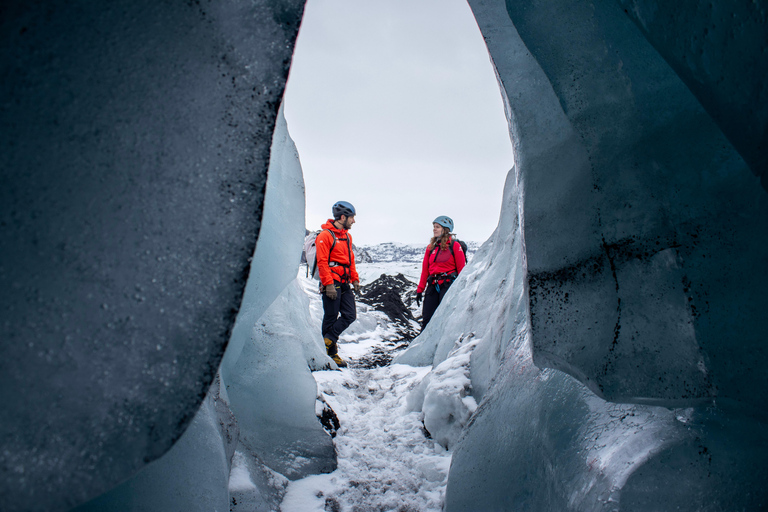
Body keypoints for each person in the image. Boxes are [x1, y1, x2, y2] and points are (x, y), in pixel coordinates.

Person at [316, 201, 360, 367]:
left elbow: (350, 260)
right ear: (343, 217)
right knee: (330, 317)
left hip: (345, 281)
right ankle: (331, 354)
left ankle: (328, 340)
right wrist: (328, 284)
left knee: (350, 314)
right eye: (352, 217)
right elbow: (322, 262)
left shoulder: (347, 237)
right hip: (332, 281)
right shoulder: (325, 236)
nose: (353, 221)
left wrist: (354, 278)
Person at [415, 216, 466, 329]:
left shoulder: (454, 246)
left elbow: (462, 269)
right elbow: (425, 271)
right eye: (434, 227)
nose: (434, 229)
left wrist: (462, 290)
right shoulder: (430, 248)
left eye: (437, 227)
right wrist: (420, 290)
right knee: (427, 319)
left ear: (445, 229)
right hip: (433, 285)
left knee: (445, 318)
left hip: (448, 285)